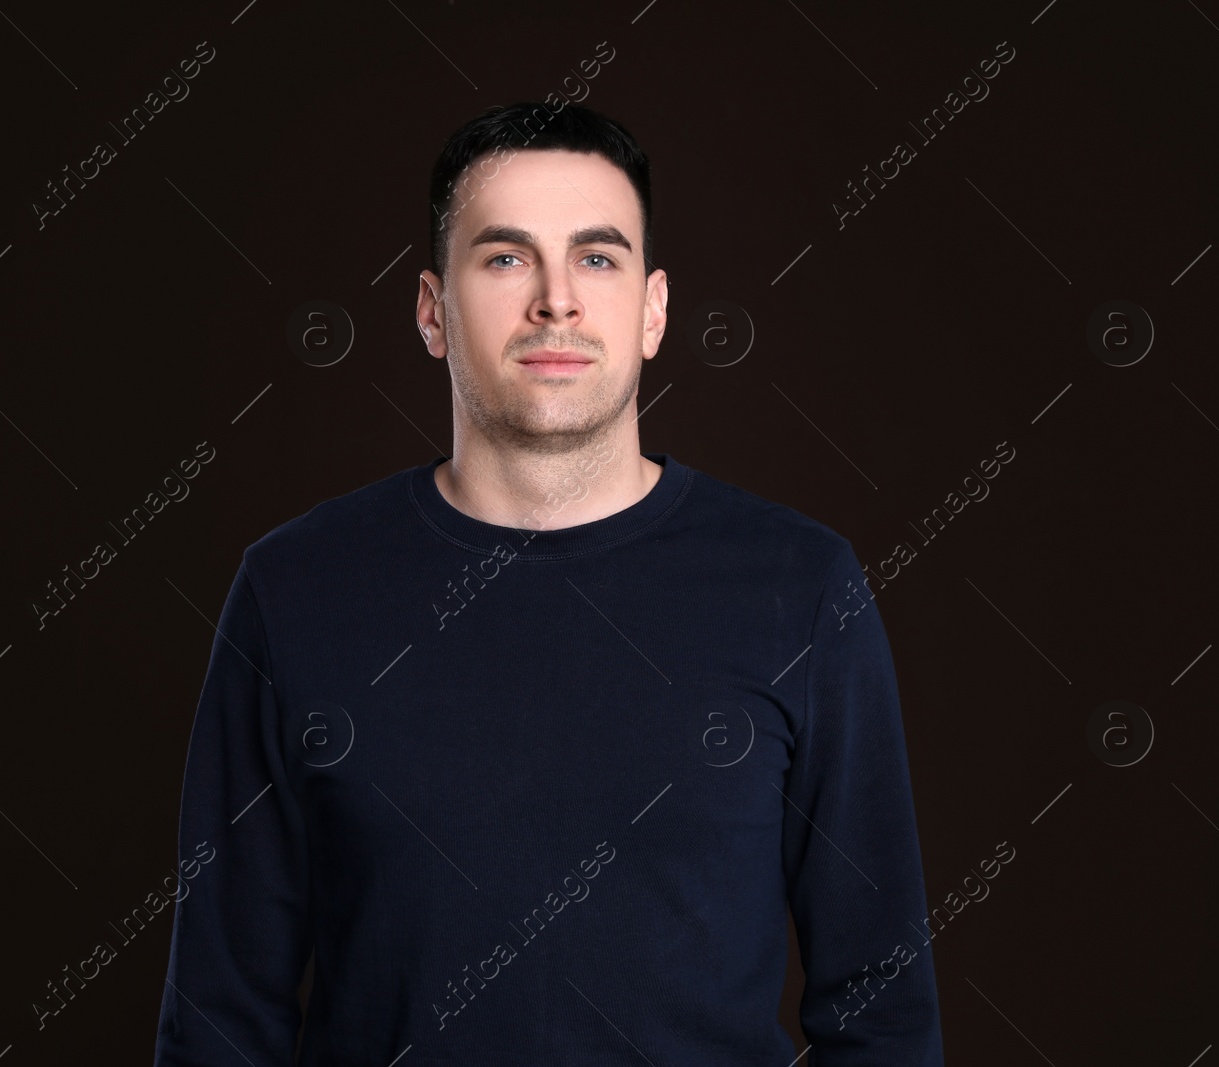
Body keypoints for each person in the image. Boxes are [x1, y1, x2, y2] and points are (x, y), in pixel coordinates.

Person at [153, 100, 943, 1066]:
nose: (556, 300)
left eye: (598, 257)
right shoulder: (293, 589)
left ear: (653, 311)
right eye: (505, 257)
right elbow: (220, 1014)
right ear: (432, 313)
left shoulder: (802, 587)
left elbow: (882, 1006)